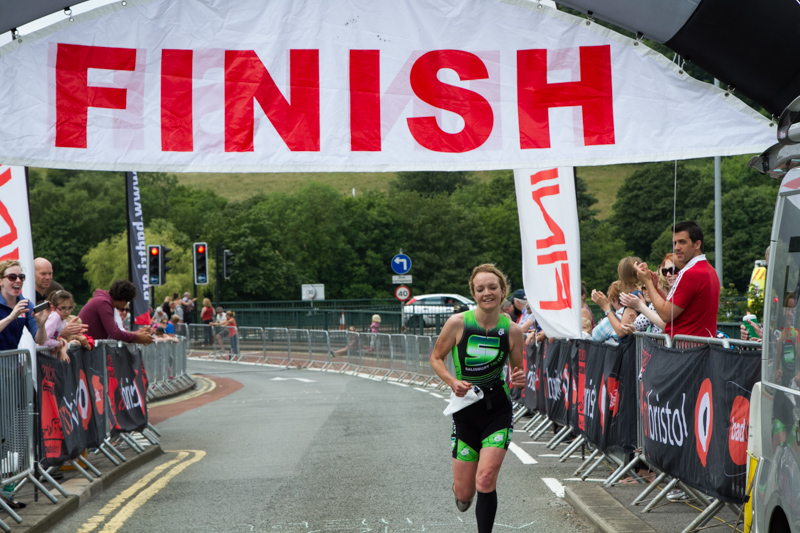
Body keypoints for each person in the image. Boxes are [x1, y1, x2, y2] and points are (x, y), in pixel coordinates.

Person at [430, 264, 525, 533]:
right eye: (480, 289)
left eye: (492, 287)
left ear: (502, 291)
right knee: (465, 493)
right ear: (473, 293)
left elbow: (517, 372)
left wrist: (519, 379)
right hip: (466, 412)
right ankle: (461, 492)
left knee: (486, 478)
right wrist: (452, 381)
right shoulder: (458, 323)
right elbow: (436, 358)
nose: (487, 293)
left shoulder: (513, 331)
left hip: (498, 411)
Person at [635, 221, 720, 337]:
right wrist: (655, 288)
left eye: (682, 242)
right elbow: (676, 307)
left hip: (685, 349)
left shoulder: (689, 274)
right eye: (675, 243)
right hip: (699, 347)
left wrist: (647, 282)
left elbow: (666, 315)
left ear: (697, 244)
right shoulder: (710, 270)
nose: (677, 248)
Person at [78, 280, 153, 345]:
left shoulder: (103, 301)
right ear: (123, 300)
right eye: (126, 302)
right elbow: (115, 333)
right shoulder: (103, 303)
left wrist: (139, 333)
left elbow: (117, 332)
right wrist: (138, 337)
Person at [0, 260, 50, 349]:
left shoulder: (26, 304)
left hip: (11, 361)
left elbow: (40, 340)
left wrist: (41, 325)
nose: (18, 280)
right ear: (1, 281)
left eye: (21, 277)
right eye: (12, 277)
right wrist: (11, 317)